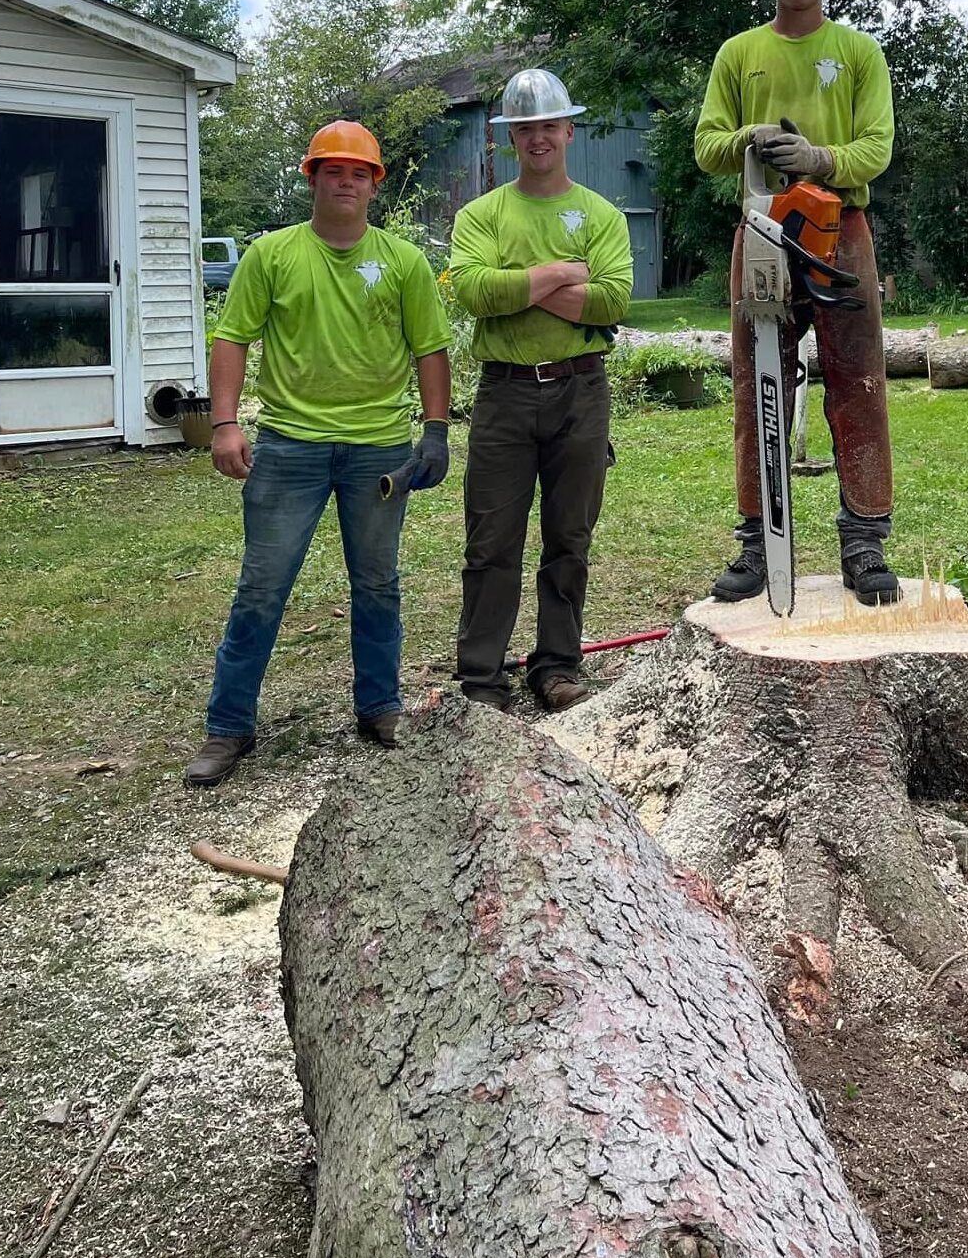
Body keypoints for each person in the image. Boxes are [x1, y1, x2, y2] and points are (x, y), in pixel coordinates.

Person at [185, 121, 453, 787]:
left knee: (378, 583)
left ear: (374, 185)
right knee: (261, 587)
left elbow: (430, 349)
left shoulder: (402, 262)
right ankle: (229, 724)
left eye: (358, 172)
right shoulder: (271, 255)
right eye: (333, 169)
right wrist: (224, 424)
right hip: (288, 444)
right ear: (312, 177)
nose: (345, 181)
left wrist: (438, 430)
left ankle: (380, 707)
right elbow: (232, 339)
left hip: (380, 449)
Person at [694, 0, 899, 605]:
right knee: (757, 382)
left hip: (840, 230)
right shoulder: (739, 54)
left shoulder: (857, 52)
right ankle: (758, 538)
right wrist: (750, 139)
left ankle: (865, 538)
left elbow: (876, 148)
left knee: (859, 379)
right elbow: (706, 144)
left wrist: (818, 158)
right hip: (759, 228)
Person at [449, 69, 633, 713]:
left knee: (569, 536)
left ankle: (556, 666)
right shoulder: (483, 214)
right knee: (491, 539)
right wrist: (560, 274)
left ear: (568, 131)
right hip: (504, 394)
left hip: (581, 393)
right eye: (523, 128)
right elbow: (474, 292)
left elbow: (612, 300)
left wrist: (520, 288)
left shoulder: (602, 214)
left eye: (548, 126)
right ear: (508, 138)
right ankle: (482, 676)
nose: (537, 138)